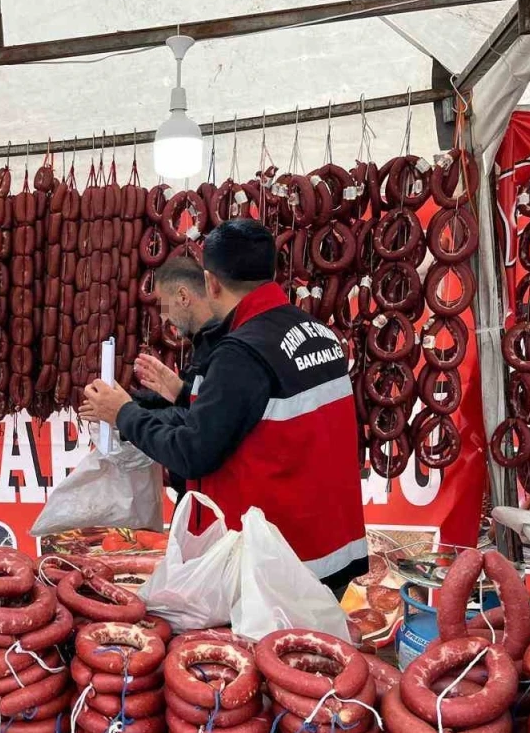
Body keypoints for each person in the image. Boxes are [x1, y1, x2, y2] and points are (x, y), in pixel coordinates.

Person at [80, 219, 367, 595]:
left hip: (280, 568)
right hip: (330, 552)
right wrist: (185, 394)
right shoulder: (319, 333)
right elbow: (259, 417)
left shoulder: (241, 352)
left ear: (210, 282)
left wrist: (123, 413)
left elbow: (192, 453)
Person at [128, 257, 222, 499]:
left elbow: (200, 424)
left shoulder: (225, 348)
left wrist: (123, 414)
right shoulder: (204, 342)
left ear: (182, 296)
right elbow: (201, 404)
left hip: (213, 499)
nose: (162, 318)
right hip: (198, 494)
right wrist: (179, 392)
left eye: (162, 304)